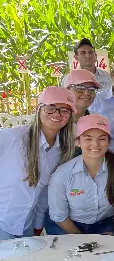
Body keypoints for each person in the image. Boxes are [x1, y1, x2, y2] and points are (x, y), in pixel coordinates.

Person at [0, 87, 76, 240]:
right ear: (39, 109)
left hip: (26, 228)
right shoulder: (12, 138)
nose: (57, 114)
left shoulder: (62, 150)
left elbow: (44, 193)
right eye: (51, 107)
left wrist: (38, 226)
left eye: (64, 110)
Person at [47, 114, 114, 237]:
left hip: (104, 223)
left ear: (109, 141)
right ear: (78, 141)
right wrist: (85, 241)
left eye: (102, 138)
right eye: (88, 139)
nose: (95, 144)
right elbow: (59, 216)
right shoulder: (62, 174)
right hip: (68, 226)